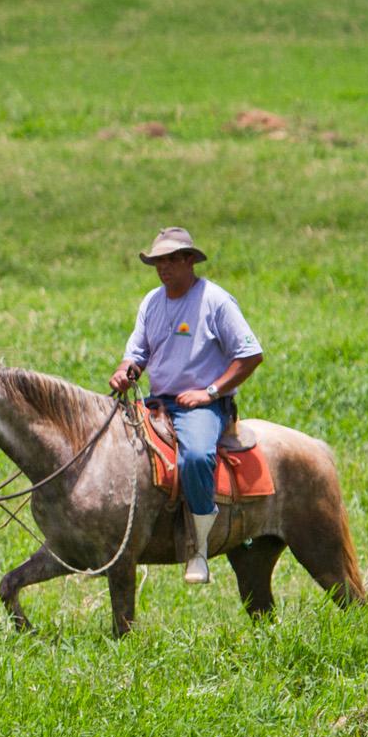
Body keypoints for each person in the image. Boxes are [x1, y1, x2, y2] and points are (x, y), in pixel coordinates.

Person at [108, 227, 263, 584]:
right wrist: (124, 372)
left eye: (172, 259)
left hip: (201, 406)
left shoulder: (215, 301)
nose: (164, 267)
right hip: (158, 401)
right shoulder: (151, 301)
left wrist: (209, 392)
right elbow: (137, 353)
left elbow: (250, 355)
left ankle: (199, 548)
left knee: (195, 457)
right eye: (158, 261)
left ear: (190, 260)